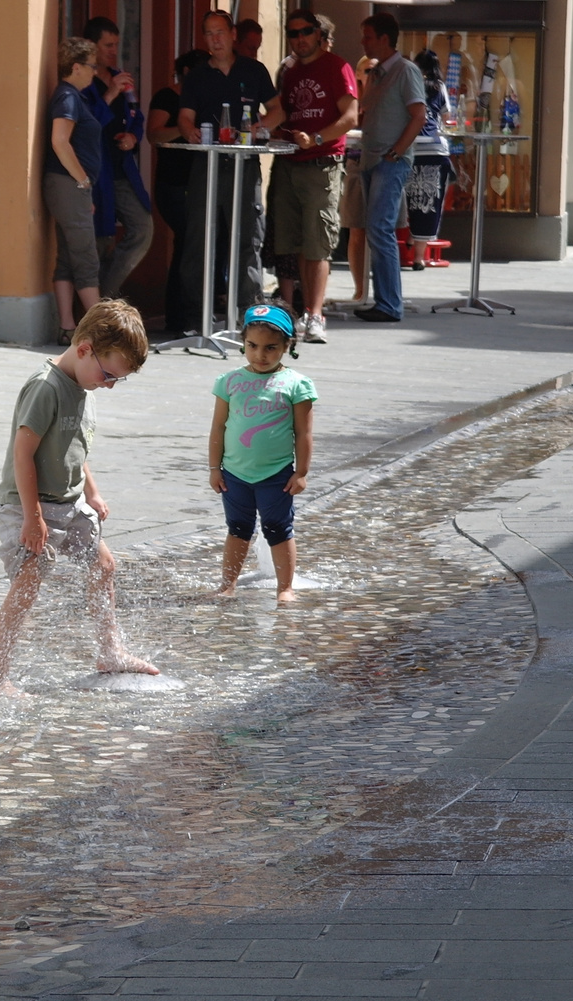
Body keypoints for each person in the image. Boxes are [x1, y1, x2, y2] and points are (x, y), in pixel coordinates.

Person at [0, 300, 160, 696]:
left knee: (104, 566)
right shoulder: (45, 388)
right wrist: (32, 517)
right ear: (84, 348)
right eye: (109, 374)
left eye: (118, 379)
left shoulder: (85, 385)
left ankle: (110, 651)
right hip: (27, 504)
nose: (110, 384)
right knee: (28, 582)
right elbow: (23, 454)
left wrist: (93, 493)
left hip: (70, 503)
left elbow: (74, 450)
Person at [178, 9, 282, 334]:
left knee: (248, 238)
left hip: (245, 166)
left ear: (232, 34)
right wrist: (188, 131)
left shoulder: (253, 70)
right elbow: (184, 117)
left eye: (220, 32)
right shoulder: (197, 76)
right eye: (208, 34)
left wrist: (259, 125)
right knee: (199, 239)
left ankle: (249, 317)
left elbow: (279, 111)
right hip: (206, 164)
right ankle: (196, 318)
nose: (215, 40)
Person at [208, 303, 316, 603]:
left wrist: (302, 473)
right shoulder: (229, 382)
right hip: (234, 473)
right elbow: (218, 428)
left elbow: (304, 433)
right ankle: (227, 584)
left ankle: (285, 587)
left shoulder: (296, 385)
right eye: (252, 346)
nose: (260, 355)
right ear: (243, 342)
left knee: (278, 529)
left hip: (276, 474)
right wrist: (214, 469)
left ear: (287, 346)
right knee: (238, 529)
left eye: (271, 347)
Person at [269, 8, 357, 344]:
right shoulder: (289, 71)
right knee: (290, 242)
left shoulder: (338, 66)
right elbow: (283, 112)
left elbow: (350, 116)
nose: (299, 39)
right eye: (293, 33)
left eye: (305, 32)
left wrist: (318, 137)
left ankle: (315, 315)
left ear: (319, 34)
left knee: (318, 242)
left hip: (323, 161)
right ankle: (293, 315)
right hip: (290, 161)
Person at [354, 12, 426, 323]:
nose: (363, 41)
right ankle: (385, 300)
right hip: (373, 160)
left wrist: (395, 153)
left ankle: (390, 304)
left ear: (384, 39)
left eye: (368, 36)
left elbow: (418, 115)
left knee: (380, 229)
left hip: (388, 162)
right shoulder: (377, 73)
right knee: (376, 229)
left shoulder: (405, 70)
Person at [82, 16, 153, 299]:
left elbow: (136, 114)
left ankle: (105, 294)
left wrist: (133, 136)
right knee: (101, 239)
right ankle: (93, 304)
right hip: (96, 172)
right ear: (92, 46)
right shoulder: (84, 82)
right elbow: (86, 125)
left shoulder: (120, 76)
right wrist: (110, 92)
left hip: (122, 170)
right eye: (107, 45)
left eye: (116, 45)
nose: (114, 51)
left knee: (142, 229)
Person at [44, 37, 103, 345]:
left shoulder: (73, 96)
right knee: (85, 256)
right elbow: (60, 140)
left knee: (68, 256)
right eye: (91, 66)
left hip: (66, 185)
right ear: (76, 66)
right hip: (68, 183)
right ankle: (98, 331)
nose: (95, 72)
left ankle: (68, 327)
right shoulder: (67, 97)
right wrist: (82, 180)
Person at [147, 48, 209, 334]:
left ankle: (191, 314)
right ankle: (178, 316)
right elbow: (154, 134)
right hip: (172, 184)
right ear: (187, 72)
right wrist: (183, 128)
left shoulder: (201, 99)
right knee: (187, 243)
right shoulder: (167, 97)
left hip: (199, 183)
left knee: (195, 244)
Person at [406, 49, 454, 271]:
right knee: (428, 203)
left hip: (410, 146)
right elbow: (447, 117)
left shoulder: (410, 83)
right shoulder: (439, 87)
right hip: (435, 148)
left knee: (409, 198)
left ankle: (409, 236)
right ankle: (418, 257)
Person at [340, 55, 377, 301]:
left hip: (382, 162)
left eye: (374, 70)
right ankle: (359, 289)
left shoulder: (385, 93)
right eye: (365, 70)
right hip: (355, 161)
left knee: (380, 231)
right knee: (357, 230)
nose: (370, 74)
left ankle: (382, 291)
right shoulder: (352, 96)